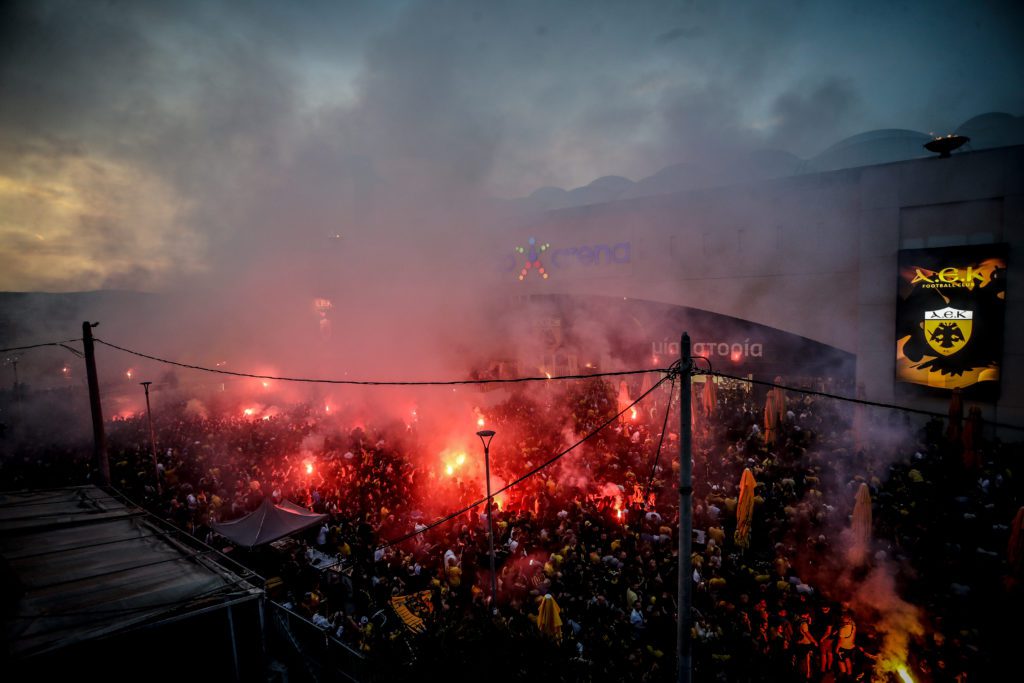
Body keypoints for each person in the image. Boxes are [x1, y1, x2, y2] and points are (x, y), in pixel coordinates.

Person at [835, 612, 857, 679]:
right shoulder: (854, 626)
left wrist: (837, 649)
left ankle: (843, 674)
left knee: (841, 661)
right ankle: (849, 674)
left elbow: (840, 641)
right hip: (851, 647)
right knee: (848, 660)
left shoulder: (843, 629)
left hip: (844, 647)